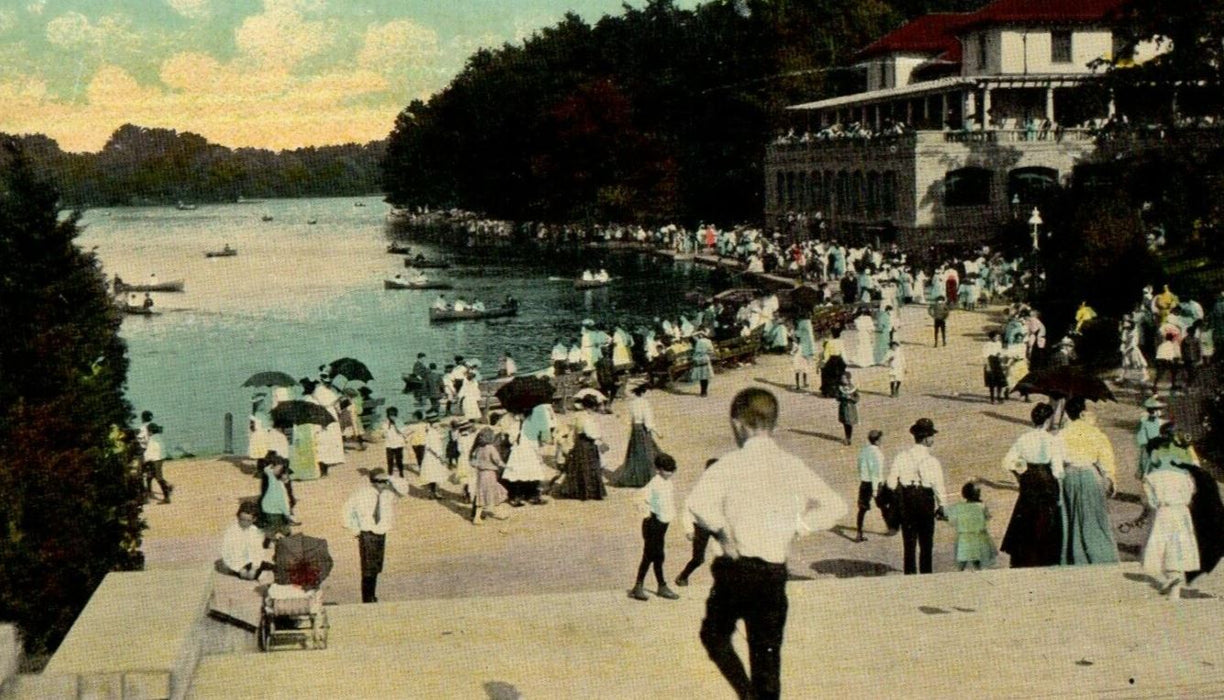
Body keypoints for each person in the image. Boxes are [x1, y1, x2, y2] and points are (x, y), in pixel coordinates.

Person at [686, 388, 846, 699]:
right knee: (767, 657)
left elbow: (697, 502)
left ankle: (745, 694)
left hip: (735, 569)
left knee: (715, 635)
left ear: (738, 425)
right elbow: (836, 506)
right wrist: (798, 527)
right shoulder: (791, 464)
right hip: (773, 572)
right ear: (773, 423)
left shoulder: (729, 464)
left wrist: (721, 531)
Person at [1000, 403, 1065, 568]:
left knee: (1026, 514)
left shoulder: (1024, 438)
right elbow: (1057, 470)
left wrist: (1020, 475)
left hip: (1029, 479)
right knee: (1046, 518)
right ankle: (1045, 556)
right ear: (1048, 420)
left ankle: (1024, 556)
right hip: (1046, 479)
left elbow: (1007, 462)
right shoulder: (1052, 440)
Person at [1059, 397, 1120, 565]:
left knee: (1071, 517)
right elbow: (1106, 458)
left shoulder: (1062, 434)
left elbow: (1057, 460)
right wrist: (1110, 478)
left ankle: (1074, 556)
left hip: (1069, 475)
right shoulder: (1095, 432)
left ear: (1067, 414)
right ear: (1082, 413)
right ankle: (1100, 555)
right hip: (1090, 474)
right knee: (1095, 516)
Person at [885, 418, 948, 574]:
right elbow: (938, 486)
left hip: (907, 499)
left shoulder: (901, 456)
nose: (933, 439)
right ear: (926, 438)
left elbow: (891, 483)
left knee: (909, 542)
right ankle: (926, 575)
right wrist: (942, 506)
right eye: (932, 436)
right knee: (926, 543)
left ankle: (910, 575)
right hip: (925, 500)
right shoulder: (933, 461)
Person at [342, 469, 408, 603]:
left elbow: (404, 489)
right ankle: (367, 598)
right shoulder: (362, 494)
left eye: (385, 481)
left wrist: (390, 478)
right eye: (381, 482)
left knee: (376, 567)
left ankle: (372, 595)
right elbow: (347, 510)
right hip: (367, 533)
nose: (384, 484)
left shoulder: (389, 493)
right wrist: (354, 529)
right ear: (373, 482)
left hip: (381, 532)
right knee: (367, 569)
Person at [629, 453, 681, 601]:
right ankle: (642, 586)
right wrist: (647, 514)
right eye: (667, 470)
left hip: (663, 525)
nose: (670, 473)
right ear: (658, 469)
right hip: (653, 524)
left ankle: (658, 586)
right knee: (651, 555)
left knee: (658, 555)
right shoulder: (654, 483)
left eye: (672, 470)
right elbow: (638, 498)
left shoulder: (668, 483)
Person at [675, 458, 719, 587]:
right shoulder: (700, 489)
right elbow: (687, 509)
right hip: (701, 527)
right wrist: (688, 529)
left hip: (717, 525)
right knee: (698, 559)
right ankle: (683, 577)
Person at [612, 383, 661, 488]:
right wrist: (657, 432)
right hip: (642, 429)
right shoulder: (645, 403)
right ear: (644, 392)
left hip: (635, 429)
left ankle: (635, 476)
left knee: (635, 452)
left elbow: (628, 419)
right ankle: (646, 477)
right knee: (647, 452)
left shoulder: (632, 403)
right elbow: (648, 422)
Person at [554, 413, 607, 501]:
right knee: (590, 466)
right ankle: (590, 491)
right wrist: (599, 440)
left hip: (580, 443)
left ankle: (578, 491)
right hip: (588, 443)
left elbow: (574, 431)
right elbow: (591, 434)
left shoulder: (578, 416)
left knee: (580, 466)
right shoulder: (589, 418)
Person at [945, 482, 996, 571]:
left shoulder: (959, 506)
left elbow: (951, 519)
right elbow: (988, 517)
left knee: (962, 559)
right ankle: (978, 572)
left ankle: (959, 574)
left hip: (964, 537)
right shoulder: (981, 506)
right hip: (978, 536)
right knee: (977, 558)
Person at [218, 501, 271, 580]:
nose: (244, 523)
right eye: (242, 519)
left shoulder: (254, 530)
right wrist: (240, 569)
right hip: (234, 563)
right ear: (238, 517)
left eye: (248, 520)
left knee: (273, 568)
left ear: (254, 519)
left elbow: (257, 551)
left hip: (249, 561)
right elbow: (227, 554)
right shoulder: (231, 531)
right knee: (251, 576)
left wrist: (254, 568)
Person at [470, 428, 509, 525]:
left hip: (480, 474)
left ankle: (477, 517)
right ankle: (498, 512)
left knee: (481, 494)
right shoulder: (491, 448)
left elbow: (474, 462)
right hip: (490, 474)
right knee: (495, 492)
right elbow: (497, 460)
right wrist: (507, 466)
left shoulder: (478, 448)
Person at [855, 430, 885, 542]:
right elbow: (876, 473)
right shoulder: (878, 454)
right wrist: (876, 489)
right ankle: (890, 526)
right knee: (883, 505)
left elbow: (859, 466)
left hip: (864, 482)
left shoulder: (864, 451)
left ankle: (859, 533)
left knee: (862, 509)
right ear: (877, 441)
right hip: (875, 483)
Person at [260, 457, 296, 537]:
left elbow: (266, 469)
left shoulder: (271, 476)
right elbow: (283, 502)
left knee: (275, 526)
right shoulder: (281, 489)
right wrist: (287, 514)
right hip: (275, 510)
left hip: (268, 507)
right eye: (286, 476)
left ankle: (268, 539)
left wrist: (273, 466)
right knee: (280, 527)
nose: (287, 478)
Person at [142, 422, 173, 504]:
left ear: (150, 431)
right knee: (151, 475)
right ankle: (151, 492)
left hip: (156, 459)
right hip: (160, 458)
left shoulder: (152, 439)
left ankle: (166, 497)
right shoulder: (158, 437)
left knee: (158, 477)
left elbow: (149, 452)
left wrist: (145, 460)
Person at [418, 419, 449, 499]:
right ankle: (434, 493)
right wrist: (439, 457)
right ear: (433, 423)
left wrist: (447, 433)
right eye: (437, 422)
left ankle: (433, 493)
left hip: (433, 456)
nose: (438, 424)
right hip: (433, 457)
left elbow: (439, 438)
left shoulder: (433, 432)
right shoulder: (431, 433)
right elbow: (431, 447)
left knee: (433, 475)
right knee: (434, 475)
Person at [381, 407, 407, 478]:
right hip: (389, 445)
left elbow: (403, 431)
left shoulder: (399, 421)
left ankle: (401, 473)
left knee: (399, 460)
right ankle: (390, 475)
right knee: (390, 461)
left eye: (393, 415)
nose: (391, 417)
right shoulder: (385, 423)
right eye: (390, 415)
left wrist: (396, 424)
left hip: (398, 444)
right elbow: (383, 434)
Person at [983, 330, 1007, 403]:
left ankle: (999, 396)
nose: (998, 338)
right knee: (992, 382)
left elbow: (1000, 352)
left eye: (998, 337)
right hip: (991, 362)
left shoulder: (999, 343)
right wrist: (987, 366)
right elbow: (985, 356)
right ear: (992, 337)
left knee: (1000, 381)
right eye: (996, 337)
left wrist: (1001, 356)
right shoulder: (987, 344)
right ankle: (992, 398)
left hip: (997, 362)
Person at [690, 329, 715, 397]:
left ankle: (703, 391)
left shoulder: (698, 341)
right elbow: (711, 351)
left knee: (701, 376)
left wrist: (699, 332)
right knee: (705, 376)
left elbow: (692, 335)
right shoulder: (708, 341)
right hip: (705, 358)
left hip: (698, 359)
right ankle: (704, 391)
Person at [836, 371, 859, 445]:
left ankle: (849, 438)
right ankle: (847, 437)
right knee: (845, 423)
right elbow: (837, 397)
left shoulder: (853, 388)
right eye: (842, 378)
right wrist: (841, 397)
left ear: (848, 379)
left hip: (851, 408)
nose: (842, 380)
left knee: (850, 423)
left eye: (844, 378)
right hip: (843, 408)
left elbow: (857, 398)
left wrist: (851, 398)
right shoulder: (840, 388)